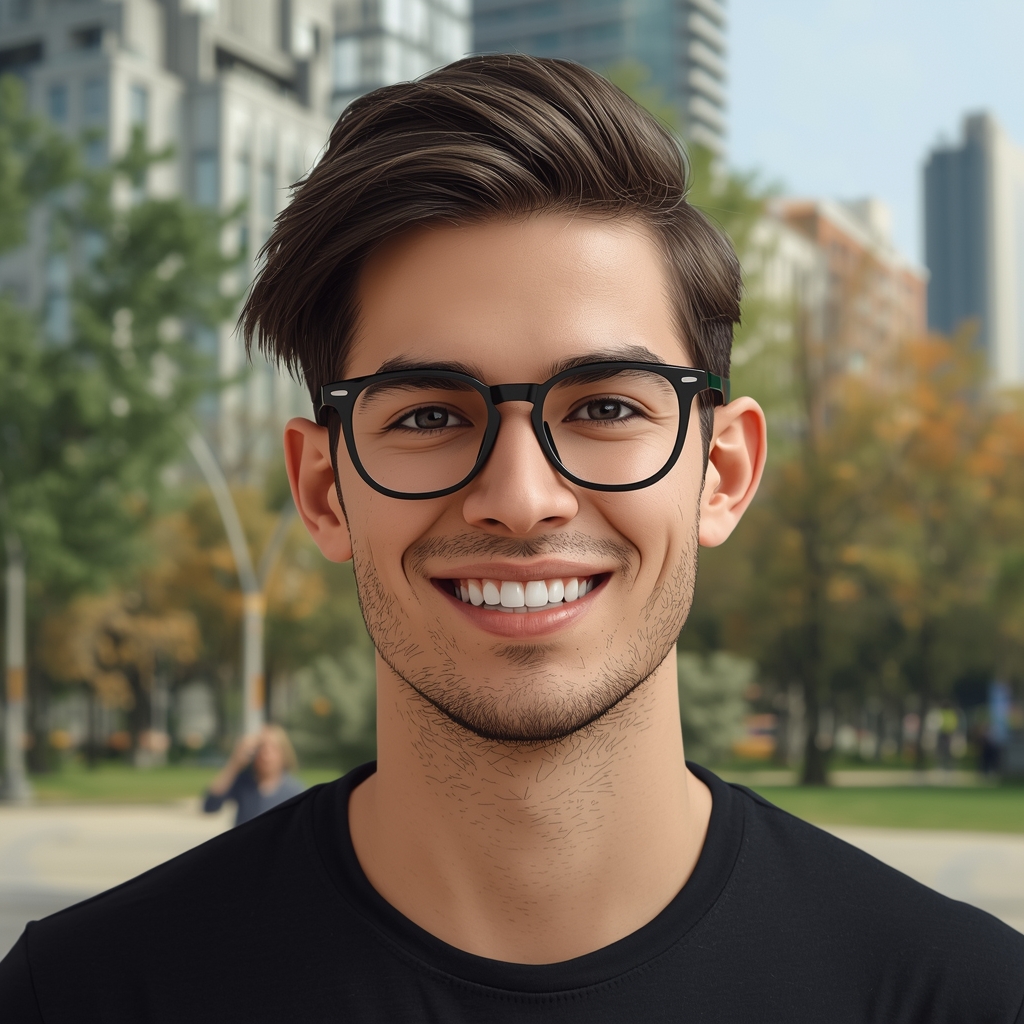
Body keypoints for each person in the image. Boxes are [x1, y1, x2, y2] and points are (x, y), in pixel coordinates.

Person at [1, 55, 1022, 1023]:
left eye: (607, 408)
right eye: (428, 416)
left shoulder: (963, 1000)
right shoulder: (85, 997)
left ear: (722, 472)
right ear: (322, 490)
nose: (522, 498)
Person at [202, 725, 304, 826]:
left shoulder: (293, 791)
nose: (266, 755)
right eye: (261, 748)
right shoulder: (244, 782)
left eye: (273, 748)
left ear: (284, 753)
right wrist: (235, 763)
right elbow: (210, 805)